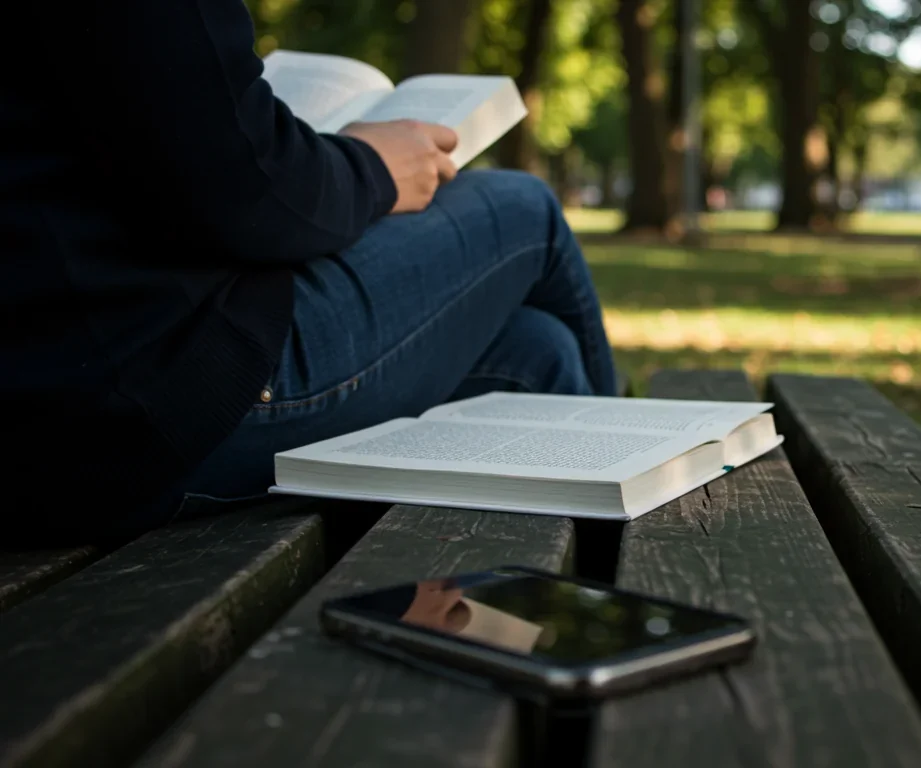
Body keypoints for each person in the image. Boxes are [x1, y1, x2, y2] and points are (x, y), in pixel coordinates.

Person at [1, 1, 616, 545]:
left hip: (61, 417)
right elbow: (242, 184)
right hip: (142, 407)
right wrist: (373, 166)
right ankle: (633, 530)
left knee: (534, 351)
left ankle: (570, 607)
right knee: (522, 209)